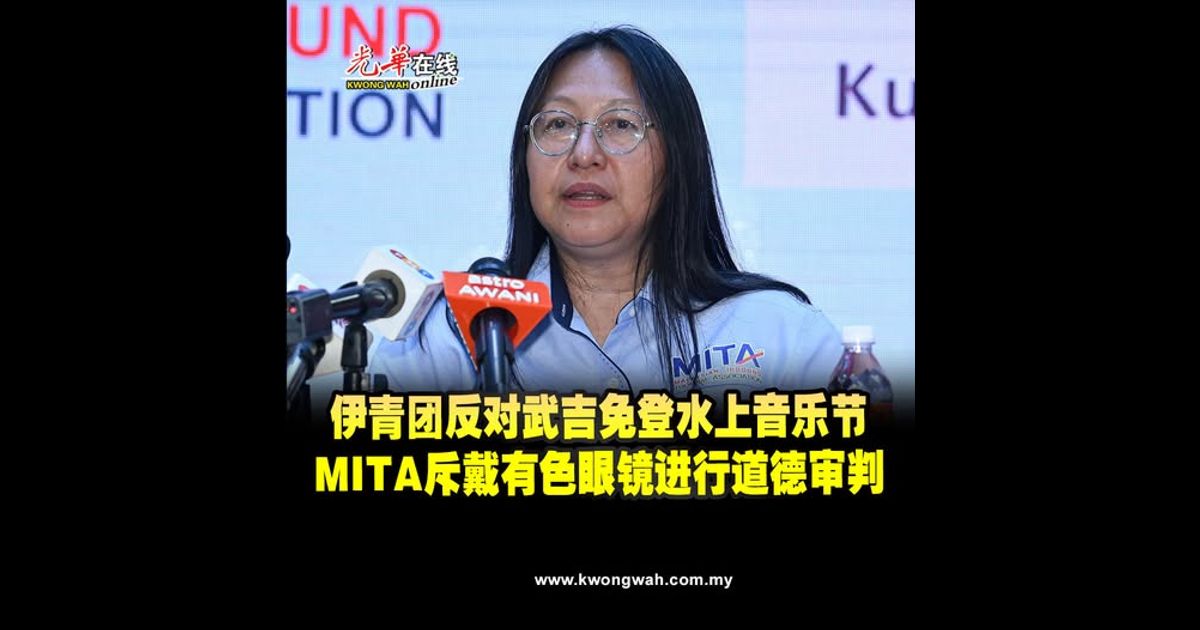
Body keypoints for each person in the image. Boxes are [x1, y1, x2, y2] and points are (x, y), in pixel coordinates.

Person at [372, 26, 842, 396]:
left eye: (620, 124)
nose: (584, 154)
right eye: (558, 124)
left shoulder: (779, 335)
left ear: (677, 156)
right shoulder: (447, 338)